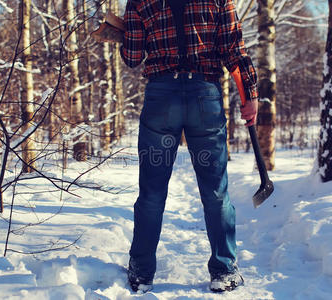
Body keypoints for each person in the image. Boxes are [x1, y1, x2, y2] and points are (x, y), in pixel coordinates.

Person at [120, 0, 258, 293]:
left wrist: (124, 35)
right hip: (203, 95)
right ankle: (224, 270)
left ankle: (142, 272)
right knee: (216, 191)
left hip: (161, 96)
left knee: (152, 192)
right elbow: (233, 50)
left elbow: (132, 57)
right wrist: (250, 95)